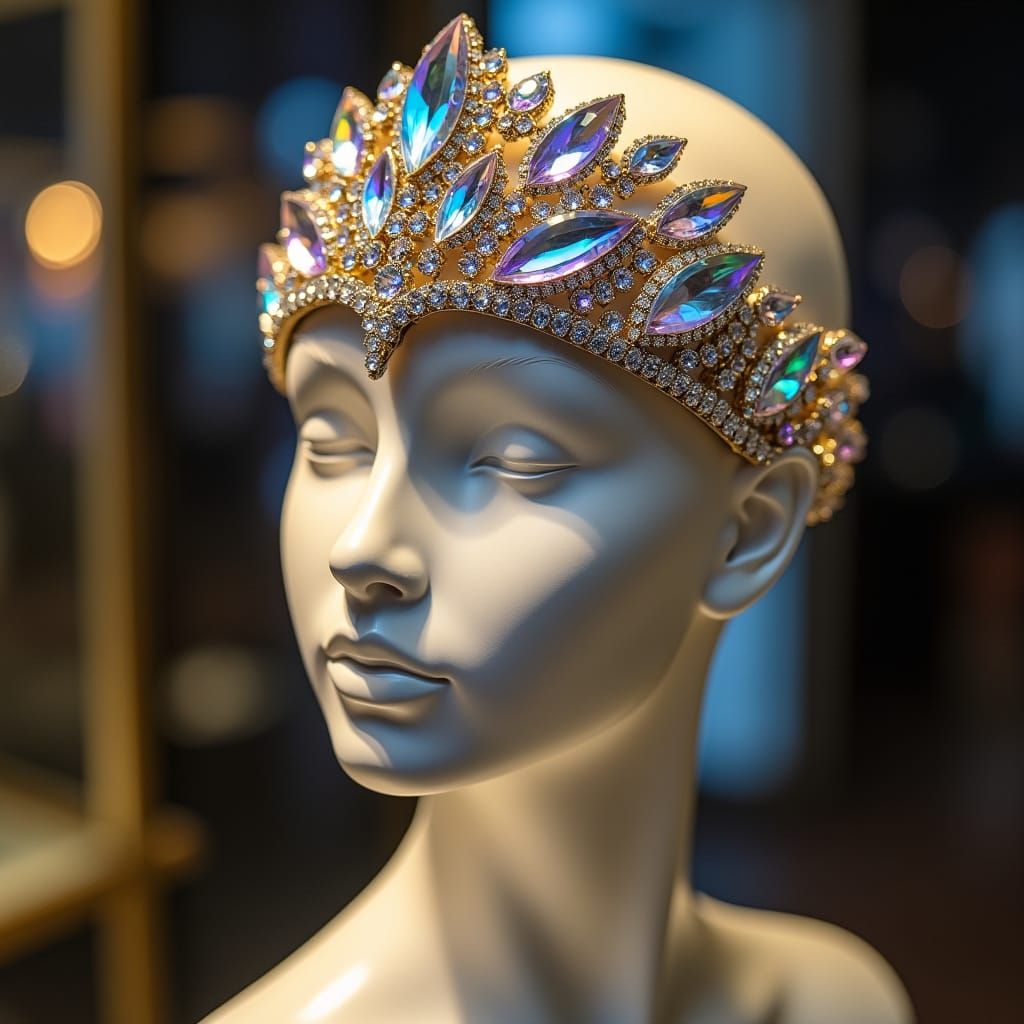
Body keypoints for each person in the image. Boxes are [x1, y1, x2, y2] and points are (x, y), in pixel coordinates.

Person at [211, 14, 911, 1022]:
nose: (365, 548)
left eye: (511, 458)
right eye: (332, 442)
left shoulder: (835, 1002)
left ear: (748, 530)